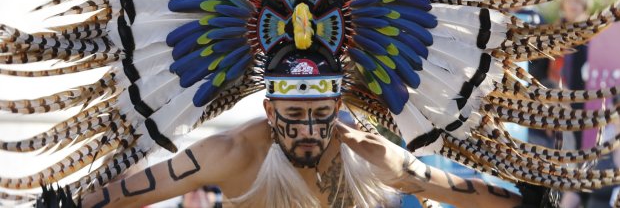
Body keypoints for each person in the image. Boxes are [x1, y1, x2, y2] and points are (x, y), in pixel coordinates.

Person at [81, 50, 522, 208]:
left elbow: (473, 196)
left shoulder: (372, 156)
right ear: (270, 110)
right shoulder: (232, 153)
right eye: (294, 115)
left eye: (320, 114)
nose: (309, 129)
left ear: (336, 106)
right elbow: (121, 197)